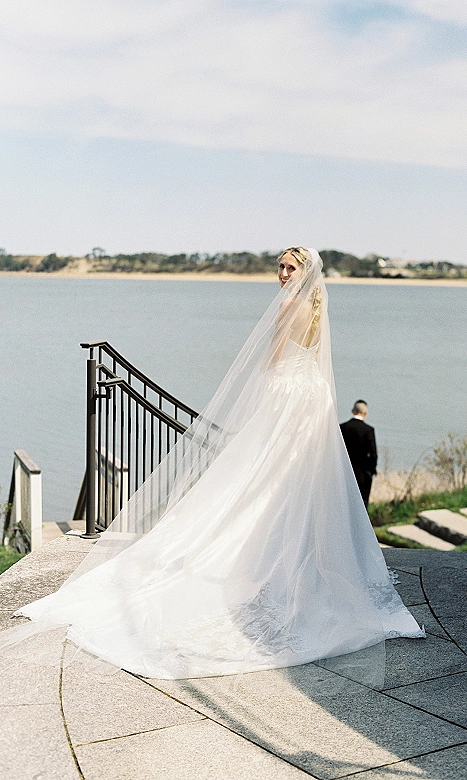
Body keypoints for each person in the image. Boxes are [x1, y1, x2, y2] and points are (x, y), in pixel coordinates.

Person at [1, 247, 423, 679]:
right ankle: (295, 549)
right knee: (293, 476)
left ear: (304, 271)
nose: (281, 274)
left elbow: (274, 358)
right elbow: (313, 359)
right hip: (311, 395)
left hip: (286, 393)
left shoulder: (288, 303)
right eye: (279, 266)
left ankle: (258, 549)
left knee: (262, 473)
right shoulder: (318, 305)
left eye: (289, 267)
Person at [340, 400, 378, 508]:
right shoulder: (368, 430)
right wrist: (372, 470)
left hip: (344, 472)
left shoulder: (342, 428)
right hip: (362, 474)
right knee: (362, 504)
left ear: (352, 411)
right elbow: (373, 454)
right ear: (365, 413)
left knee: (344, 503)